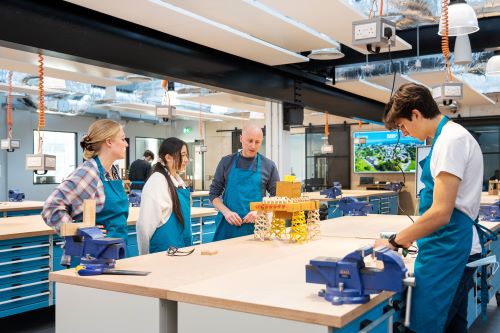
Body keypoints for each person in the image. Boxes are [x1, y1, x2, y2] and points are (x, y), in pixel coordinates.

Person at [374, 83, 484, 333]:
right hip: (444, 246)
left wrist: (395, 241)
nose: (405, 132)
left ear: (416, 114)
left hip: (451, 249)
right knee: (453, 326)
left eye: (403, 125)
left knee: (426, 327)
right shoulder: (446, 138)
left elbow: (441, 213)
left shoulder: (450, 141)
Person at [42, 119, 129, 261]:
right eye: (123, 139)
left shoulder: (112, 172)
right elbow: (51, 207)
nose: (126, 144)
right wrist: (78, 231)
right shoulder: (89, 172)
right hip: (94, 256)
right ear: (109, 142)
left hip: (117, 251)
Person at [210, 124, 280, 241]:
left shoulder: (269, 165)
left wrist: (260, 211)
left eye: (257, 142)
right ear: (241, 139)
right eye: (249, 141)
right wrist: (227, 213)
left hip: (258, 227)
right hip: (228, 226)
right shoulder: (226, 162)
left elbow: (277, 197)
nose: (253, 146)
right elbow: (214, 194)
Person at [136, 138, 192, 255]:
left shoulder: (178, 181)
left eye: (187, 155)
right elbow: (144, 226)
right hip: (163, 252)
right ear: (168, 157)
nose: (186, 160)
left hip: (181, 247)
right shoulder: (157, 181)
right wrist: (144, 257)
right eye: (182, 155)